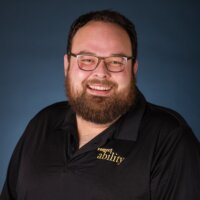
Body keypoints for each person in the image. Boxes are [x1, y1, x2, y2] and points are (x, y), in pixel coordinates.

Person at [1, 10, 200, 200]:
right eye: (86, 60)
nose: (100, 73)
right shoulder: (42, 123)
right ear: (67, 65)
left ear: (134, 69)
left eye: (115, 61)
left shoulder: (170, 140)